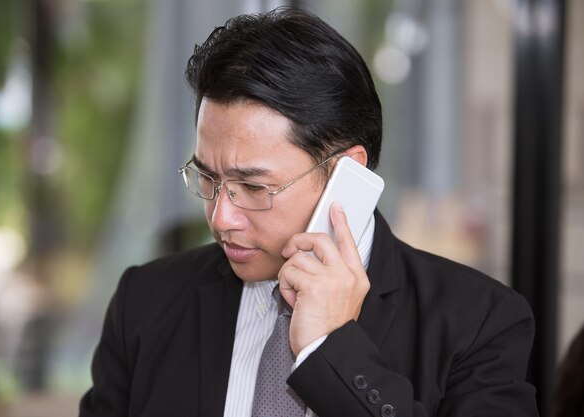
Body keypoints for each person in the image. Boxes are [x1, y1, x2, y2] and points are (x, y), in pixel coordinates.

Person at [79, 8, 539, 417]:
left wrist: (333, 349)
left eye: (253, 187)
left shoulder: (478, 322)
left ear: (346, 173)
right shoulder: (145, 302)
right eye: (209, 179)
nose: (221, 218)